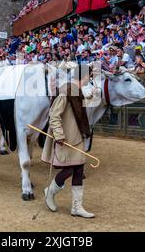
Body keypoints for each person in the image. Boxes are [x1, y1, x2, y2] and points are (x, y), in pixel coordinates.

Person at [41, 78, 94, 218]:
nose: (90, 80)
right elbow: (54, 115)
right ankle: (50, 192)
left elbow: (80, 111)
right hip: (65, 139)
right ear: (81, 77)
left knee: (79, 170)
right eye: (89, 78)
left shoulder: (77, 92)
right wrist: (58, 135)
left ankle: (77, 207)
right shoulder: (65, 92)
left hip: (77, 138)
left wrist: (92, 95)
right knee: (69, 169)